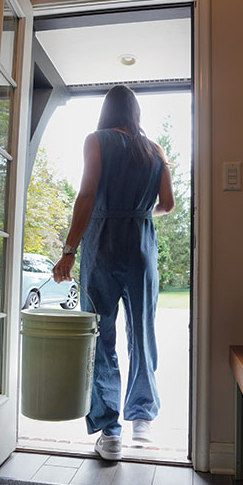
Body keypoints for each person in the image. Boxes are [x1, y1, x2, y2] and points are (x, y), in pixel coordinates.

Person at [52, 85, 175, 461]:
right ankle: (142, 420)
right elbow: (167, 205)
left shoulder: (96, 141)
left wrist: (69, 251)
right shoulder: (155, 150)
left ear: (107, 111)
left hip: (102, 244)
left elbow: (87, 196)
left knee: (100, 336)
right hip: (140, 247)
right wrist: (139, 216)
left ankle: (110, 432)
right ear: (135, 112)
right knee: (142, 331)